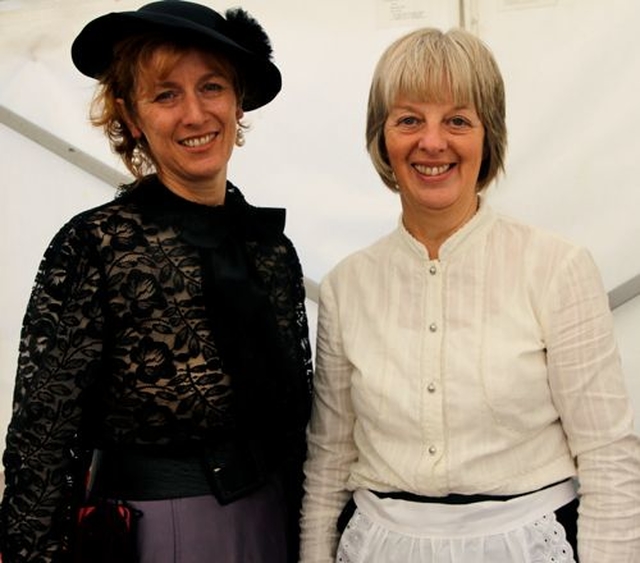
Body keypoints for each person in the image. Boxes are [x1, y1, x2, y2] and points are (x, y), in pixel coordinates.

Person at [299, 26, 640, 563]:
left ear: (489, 136)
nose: (432, 142)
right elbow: (327, 464)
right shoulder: (348, 286)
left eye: (457, 120)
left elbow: (608, 458)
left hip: (526, 544)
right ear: (382, 138)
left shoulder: (557, 268)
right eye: (409, 119)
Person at [0, 2, 313, 562]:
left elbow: (300, 425)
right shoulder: (95, 246)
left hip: (274, 525)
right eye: (166, 94)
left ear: (237, 101)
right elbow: (42, 441)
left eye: (211, 87)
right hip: (156, 534)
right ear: (132, 116)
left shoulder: (273, 252)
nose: (195, 114)